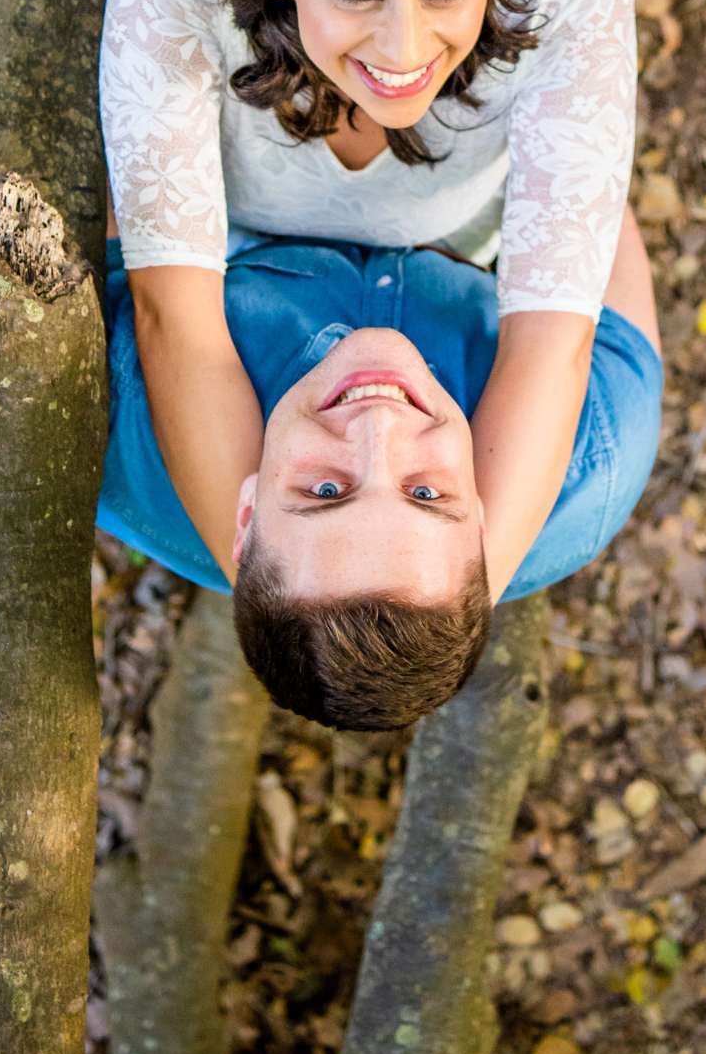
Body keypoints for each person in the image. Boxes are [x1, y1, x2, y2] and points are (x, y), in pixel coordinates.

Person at [98, 0, 654, 722]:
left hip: (239, 256)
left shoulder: (115, 442)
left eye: (321, 490)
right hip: (464, 260)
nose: (402, 55)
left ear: (245, 522)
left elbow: (164, 306)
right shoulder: (594, 463)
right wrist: (568, 168)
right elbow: (570, 325)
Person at [95, 215, 664, 729]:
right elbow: (595, 200)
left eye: (326, 490)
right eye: (424, 492)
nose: (379, 426)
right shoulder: (600, 449)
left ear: (244, 517)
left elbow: (113, 168)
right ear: (484, 534)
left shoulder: (111, 413)